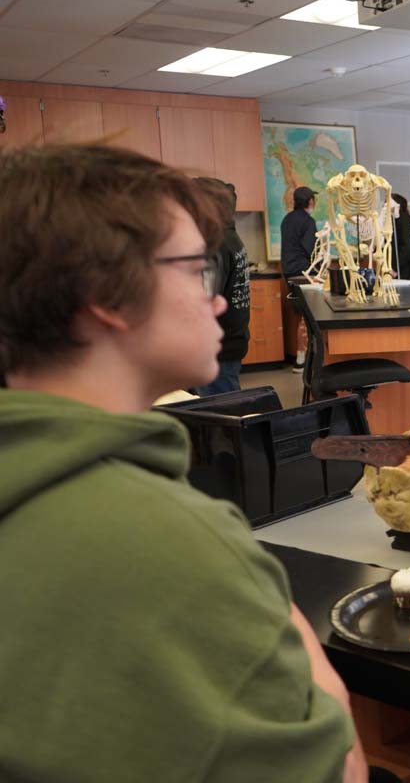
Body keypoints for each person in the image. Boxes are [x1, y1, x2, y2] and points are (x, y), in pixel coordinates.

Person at [0, 144, 367, 782]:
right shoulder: (165, 540)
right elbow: (336, 771)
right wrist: (254, 588)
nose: (218, 299)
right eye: (195, 269)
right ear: (104, 295)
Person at [194, 177, 249, 395]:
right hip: (231, 342)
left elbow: (204, 301)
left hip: (217, 349)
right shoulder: (232, 238)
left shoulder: (214, 244)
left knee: (219, 416)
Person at [282, 185, 318, 371]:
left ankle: (303, 357)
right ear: (310, 201)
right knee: (307, 317)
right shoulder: (308, 222)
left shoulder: (287, 220)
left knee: (301, 315)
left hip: (289, 271)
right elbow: (309, 249)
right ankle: (301, 359)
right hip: (304, 272)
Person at [391, 192, 410, 281]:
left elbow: (408, 246)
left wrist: (395, 267)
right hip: (401, 268)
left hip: (406, 270)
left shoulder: (404, 221)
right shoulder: (397, 220)